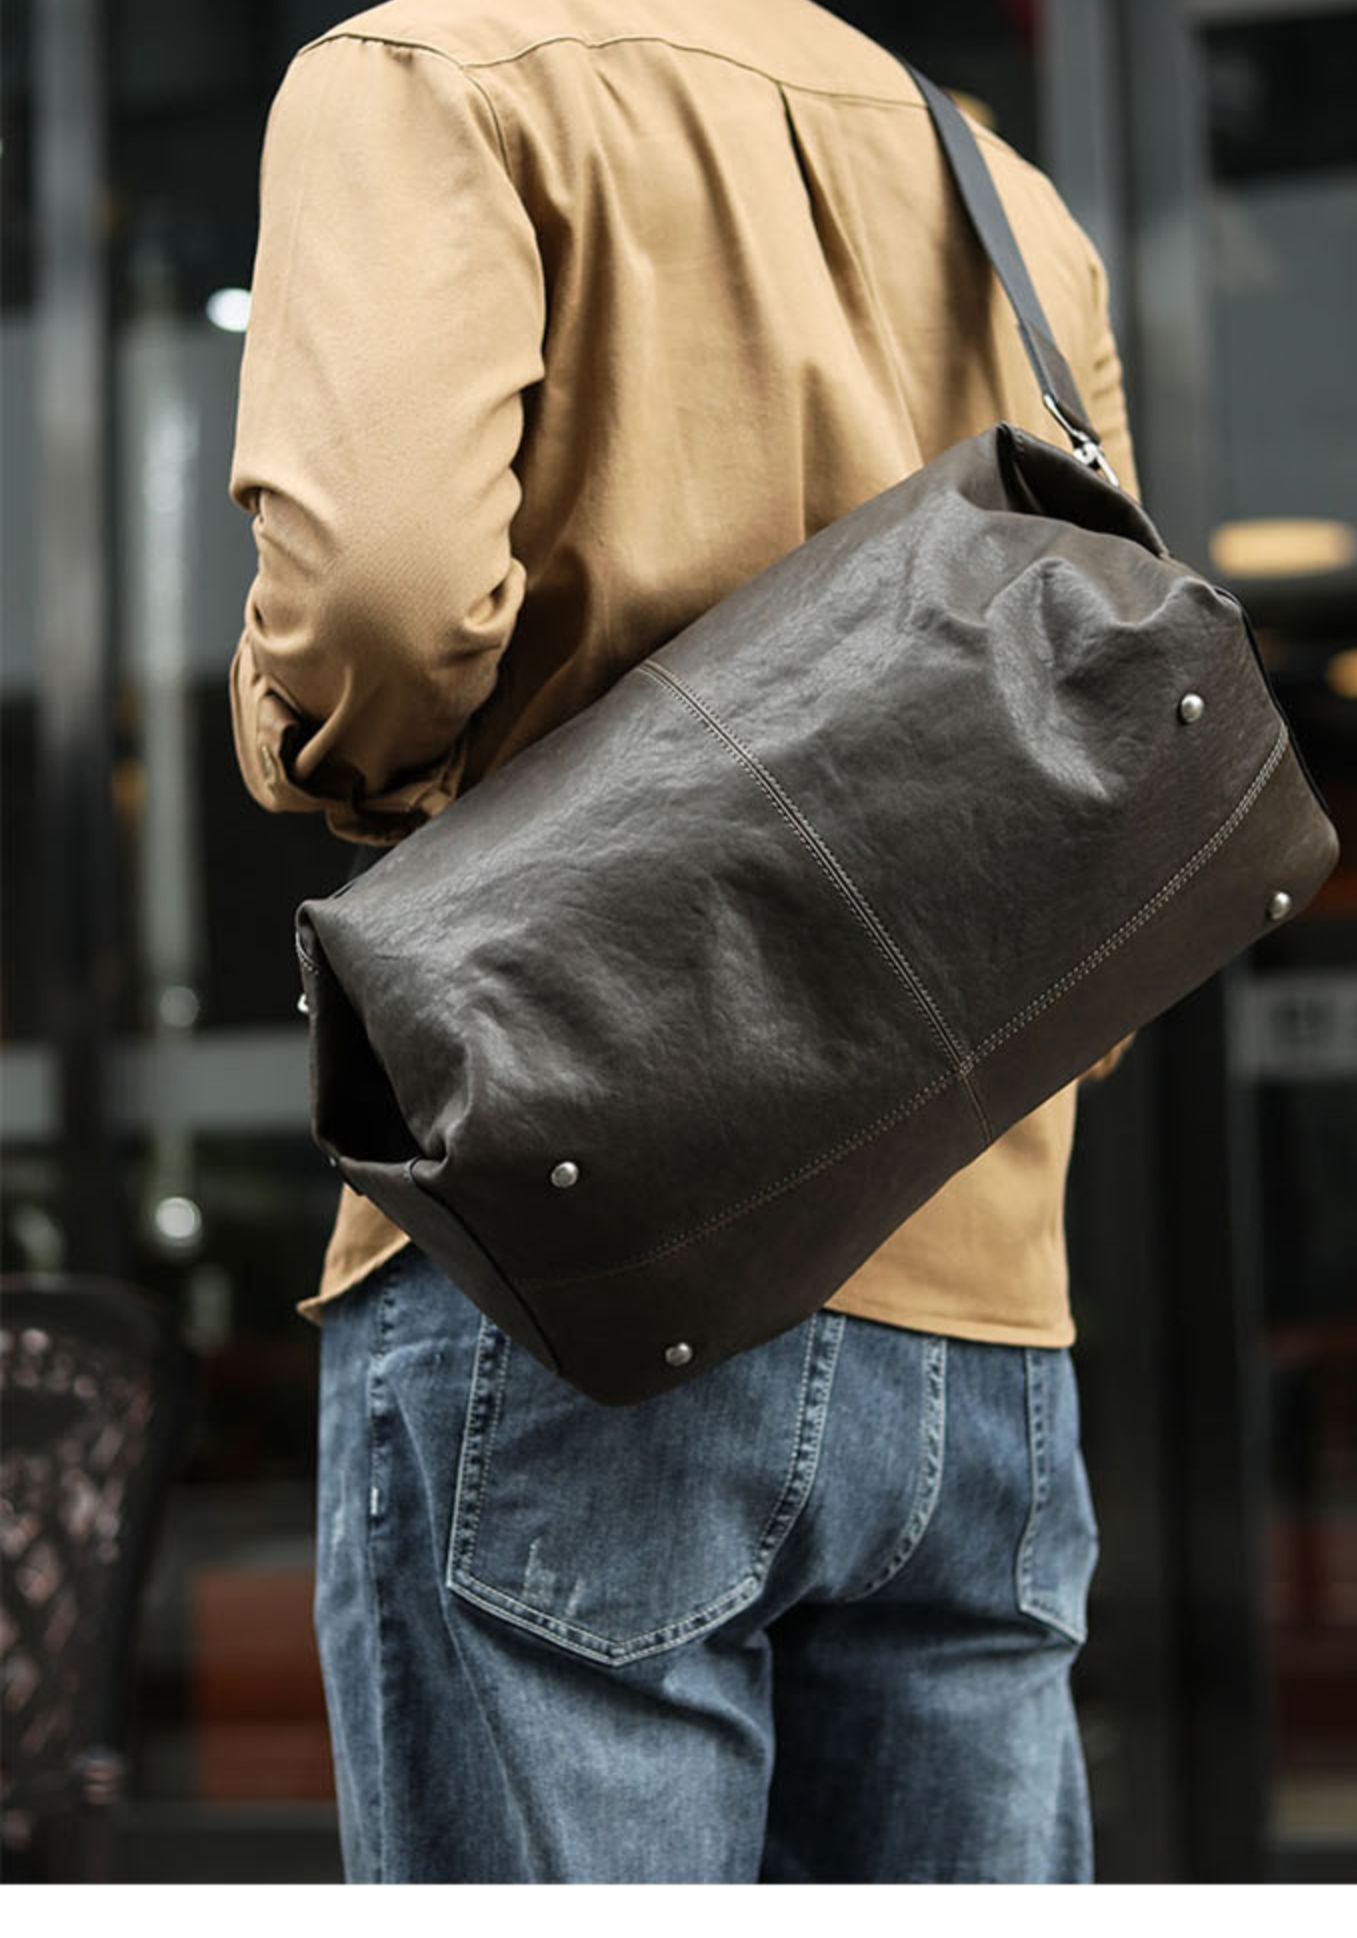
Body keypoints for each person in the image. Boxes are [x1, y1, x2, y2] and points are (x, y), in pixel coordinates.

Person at [228, 0, 1139, 1885]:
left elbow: (381, 605)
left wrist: (309, 743)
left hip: (578, 1243)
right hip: (978, 1314)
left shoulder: (422, 78)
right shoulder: (1004, 198)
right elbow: (1107, 740)